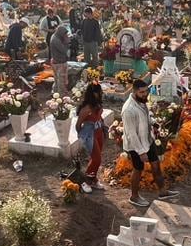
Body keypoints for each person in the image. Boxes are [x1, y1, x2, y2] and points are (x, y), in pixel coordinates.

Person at [120, 79, 178, 208]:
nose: (145, 94)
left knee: (156, 165)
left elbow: (145, 116)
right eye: (142, 92)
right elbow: (131, 134)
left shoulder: (141, 102)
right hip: (135, 145)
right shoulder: (128, 110)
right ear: (134, 91)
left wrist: (153, 123)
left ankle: (163, 191)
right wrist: (141, 152)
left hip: (147, 140)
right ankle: (134, 197)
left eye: (146, 91)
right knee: (138, 169)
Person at [75, 81, 107, 191]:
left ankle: (93, 180)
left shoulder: (97, 104)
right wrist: (82, 136)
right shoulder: (86, 109)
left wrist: (103, 126)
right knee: (97, 159)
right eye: (98, 92)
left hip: (99, 132)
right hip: (90, 134)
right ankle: (86, 181)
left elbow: (99, 116)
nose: (100, 94)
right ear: (92, 93)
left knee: (95, 159)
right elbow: (78, 125)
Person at [49, 23, 71, 95]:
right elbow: (64, 50)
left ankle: (55, 93)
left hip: (56, 61)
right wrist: (67, 42)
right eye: (64, 34)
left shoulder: (55, 37)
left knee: (57, 79)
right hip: (59, 62)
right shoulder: (56, 40)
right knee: (61, 80)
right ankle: (61, 95)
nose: (65, 35)